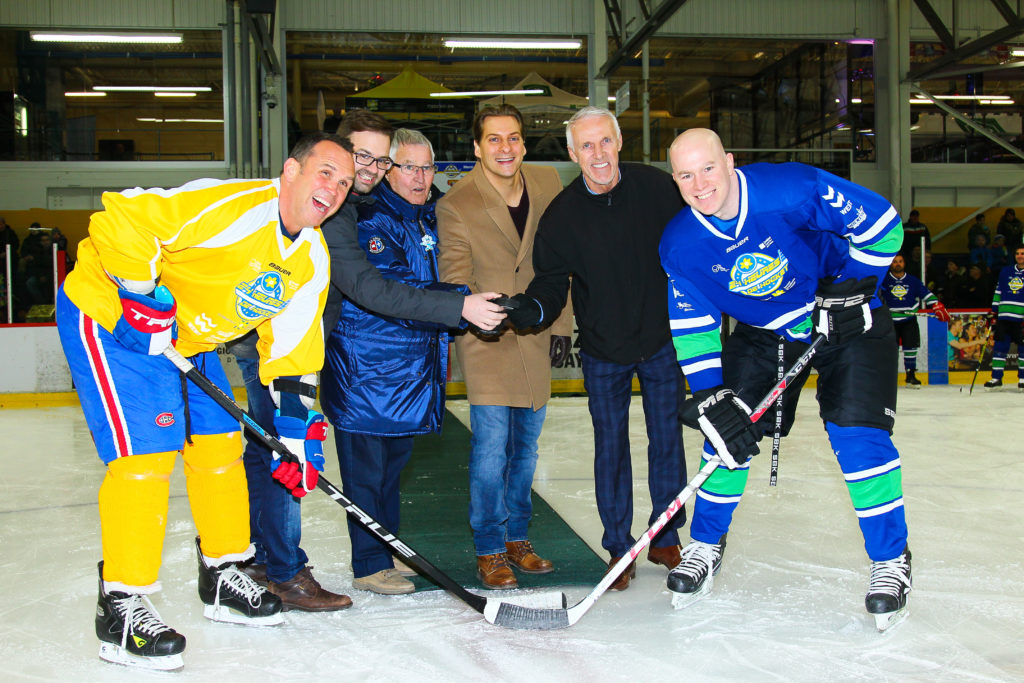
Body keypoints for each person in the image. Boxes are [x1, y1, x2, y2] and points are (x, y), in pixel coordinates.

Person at [55, 131, 356, 671]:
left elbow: (292, 351)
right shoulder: (235, 208)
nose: (334, 189)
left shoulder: (310, 257)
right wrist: (141, 292)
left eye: (346, 183)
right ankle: (120, 605)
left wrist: (294, 435)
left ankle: (223, 573)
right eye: (324, 173)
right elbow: (121, 217)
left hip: (186, 340)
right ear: (291, 170)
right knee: (145, 457)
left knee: (219, 446)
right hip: (110, 316)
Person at [228, 111, 503, 610]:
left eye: (379, 159)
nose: (372, 169)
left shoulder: (354, 203)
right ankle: (282, 568)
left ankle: (264, 557)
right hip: (275, 345)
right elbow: (366, 287)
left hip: (300, 342)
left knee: (273, 451)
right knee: (281, 453)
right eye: (363, 158)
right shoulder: (338, 209)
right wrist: (458, 305)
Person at [659, 128, 911, 632]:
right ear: (676, 181)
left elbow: (883, 224)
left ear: (730, 161)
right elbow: (693, 323)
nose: (700, 183)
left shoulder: (792, 190)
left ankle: (891, 561)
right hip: (765, 333)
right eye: (686, 175)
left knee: (857, 436)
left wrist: (851, 292)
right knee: (725, 437)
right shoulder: (680, 245)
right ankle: (706, 546)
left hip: (845, 314)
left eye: (708, 168)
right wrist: (710, 395)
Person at [503, 106, 688, 591]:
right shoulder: (562, 215)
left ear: (619, 141)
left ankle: (666, 536)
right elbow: (549, 282)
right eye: (587, 145)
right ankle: (618, 546)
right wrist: (532, 310)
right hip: (604, 349)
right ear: (572, 153)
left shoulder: (659, 189)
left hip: (662, 342)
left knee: (667, 440)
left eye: (605, 141)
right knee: (611, 447)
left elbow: (697, 244)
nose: (598, 153)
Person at [320, 128, 471, 596]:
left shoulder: (429, 216)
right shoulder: (368, 218)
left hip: (409, 370)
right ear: (388, 170)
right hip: (366, 367)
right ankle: (368, 564)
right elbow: (393, 288)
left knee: (390, 471)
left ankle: (384, 550)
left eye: (428, 168)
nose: (421, 177)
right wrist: (464, 302)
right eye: (408, 167)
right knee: (365, 473)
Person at [436, 105, 574, 589]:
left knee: (526, 451)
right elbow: (454, 277)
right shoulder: (456, 203)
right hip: (486, 339)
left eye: (513, 138)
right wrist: (481, 312)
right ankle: (490, 549)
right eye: (493, 140)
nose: (505, 148)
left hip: (535, 335)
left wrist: (560, 324)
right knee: (492, 452)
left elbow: (561, 262)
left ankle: (518, 538)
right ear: (476, 147)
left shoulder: (547, 182)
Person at [879, 254, 949, 387]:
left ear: (904, 263)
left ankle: (910, 375)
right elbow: (875, 297)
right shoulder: (884, 280)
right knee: (889, 350)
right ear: (890, 264)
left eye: (900, 261)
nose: (897, 264)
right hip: (889, 321)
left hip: (909, 320)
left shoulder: (912, 281)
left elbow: (926, 294)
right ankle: (888, 377)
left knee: (910, 348)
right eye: (895, 262)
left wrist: (936, 305)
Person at [983, 245, 1024, 390]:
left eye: (1022, 253)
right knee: (1000, 347)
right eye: (1017, 253)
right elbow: (998, 290)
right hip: (1004, 316)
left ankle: (1023, 379)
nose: (1020, 256)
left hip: (1021, 318)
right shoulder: (1006, 271)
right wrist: (994, 310)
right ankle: (996, 378)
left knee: (1023, 349)